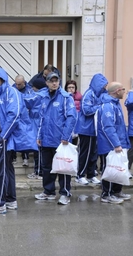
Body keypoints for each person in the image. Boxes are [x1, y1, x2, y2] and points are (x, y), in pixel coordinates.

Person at [0, 67, 38, 214]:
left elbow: (13, 115)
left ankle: (0, 203)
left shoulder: (10, 92)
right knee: (7, 168)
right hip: (1, 135)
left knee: (2, 169)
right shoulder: (0, 94)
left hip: (4, 136)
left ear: (3, 80)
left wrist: (3, 136)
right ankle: (11, 200)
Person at [34, 72, 77, 205]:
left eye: (56, 81)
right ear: (46, 83)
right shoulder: (44, 97)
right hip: (46, 139)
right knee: (47, 167)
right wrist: (39, 136)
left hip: (60, 140)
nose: (54, 83)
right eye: (51, 81)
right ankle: (48, 191)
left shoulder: (65, 97)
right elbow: (41, 118)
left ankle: (65, 193)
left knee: (63, 168)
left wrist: (66, 136)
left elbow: (71, 117)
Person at [97, 82, 131, 204]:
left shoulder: (115, 104)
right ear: (117, 91)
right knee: (110, 169)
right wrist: (116, 144)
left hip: (119, 143)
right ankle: (107, 194)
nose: (124, 91)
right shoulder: (108, 106)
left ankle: (116, 191)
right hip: (110, 145)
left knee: (118, 169)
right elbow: (108, 127)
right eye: (123, 89)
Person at [74, 74, 108, 185]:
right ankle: (80, 175)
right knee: (85, 153)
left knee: (94, 153)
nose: (105, 87)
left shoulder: (102, 94)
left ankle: (91, 175)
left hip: (96, 129)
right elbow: (86, 110)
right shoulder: (89, 94)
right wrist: (100, 107)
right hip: (86, 128)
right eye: (103, 85)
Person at [12, 74, 34, 166]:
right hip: (15, 117)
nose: (17, 86)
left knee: (24, 138)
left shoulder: (29, 91)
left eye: (19, 84)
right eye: (16, 84)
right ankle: (13, 157)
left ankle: (25, 158)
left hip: (25, 117)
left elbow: (31, 103)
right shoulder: (12, 89)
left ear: (24, 83)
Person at [125, 90, 133, 174]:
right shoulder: (131, 97)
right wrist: (131, 93)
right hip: (132, 130)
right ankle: (126, 169)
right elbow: (129, 103)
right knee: (131, 151)